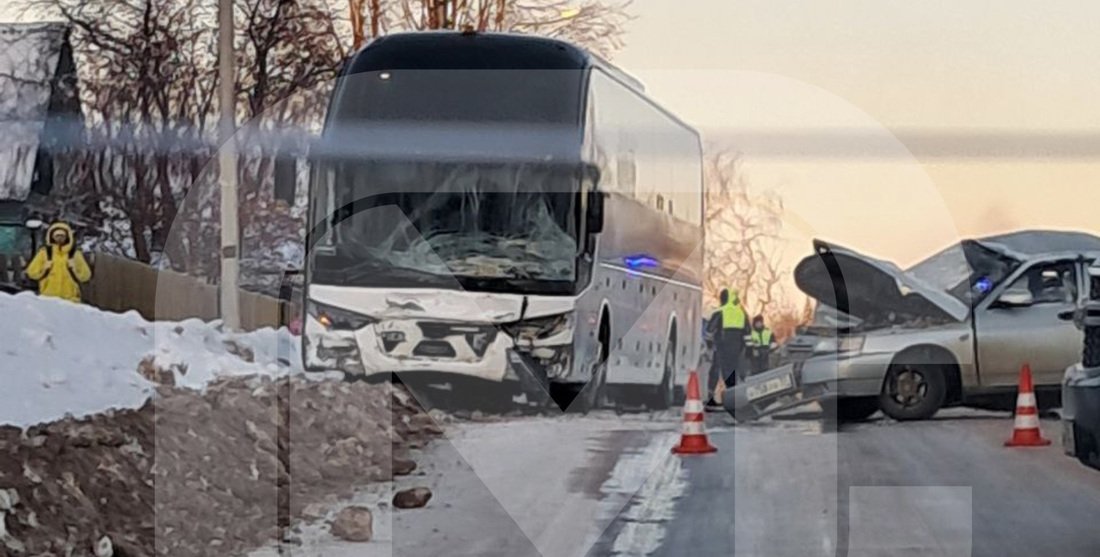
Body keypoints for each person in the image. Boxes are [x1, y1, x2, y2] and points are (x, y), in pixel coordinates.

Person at [25, 221, 92, 303]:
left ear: (67, 237)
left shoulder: (75, 254)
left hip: (70, 299)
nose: (59, 238)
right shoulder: (44, 253)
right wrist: (44, 270)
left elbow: (86, 276)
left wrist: (75, 270)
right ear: (52, 237)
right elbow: (31, 272)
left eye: (62, 236)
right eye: (57, 236)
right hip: (48, 298)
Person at [706, 288, 750, 405]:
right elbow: (748, 333)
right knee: (731, 371)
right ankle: (732, 395)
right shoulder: (742, 313)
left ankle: (710, 393)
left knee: (716, 369)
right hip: (737, 349)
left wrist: (709, 343)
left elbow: (709, 331)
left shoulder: (720, 312)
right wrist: (748, 349)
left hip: (721, 346)